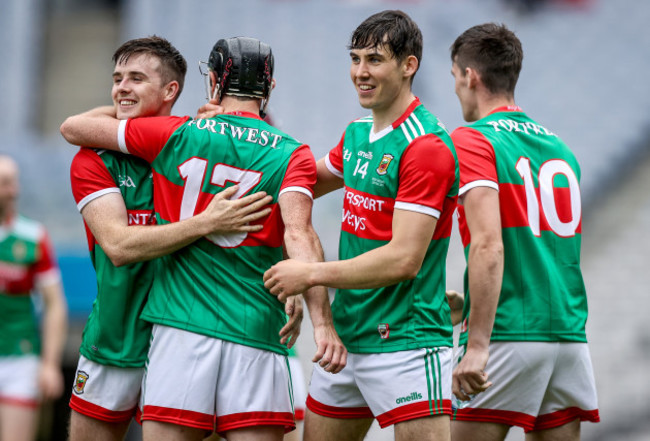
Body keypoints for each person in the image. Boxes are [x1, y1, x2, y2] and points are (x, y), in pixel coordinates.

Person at [60, 36, 346, 441]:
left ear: (208, 82)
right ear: (271, 88)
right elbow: (301, 231)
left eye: (135, 79)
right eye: (117, 79)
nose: (122, 88)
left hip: (182, 324)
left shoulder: (179, 135)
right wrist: (321, 320)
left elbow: (71, 126)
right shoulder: (290, 152)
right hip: (199, 329)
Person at [263, 10, 459, 441]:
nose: (360, 73)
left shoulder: (425, 147)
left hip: (406, 342)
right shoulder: (356, 134)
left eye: (374, 60)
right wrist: (238, 137)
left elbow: (404, 260)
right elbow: (298, 184)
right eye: (355, 59)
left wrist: (309, 273)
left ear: (409, 65)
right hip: (345, 342)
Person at [448, 23, 599, 440]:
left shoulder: (472, 141)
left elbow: (489, 245)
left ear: (469, 76)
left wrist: (477, 344)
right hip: (567, 336)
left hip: (509, 331)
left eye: (455, 78)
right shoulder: (560, 148)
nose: (457, 89)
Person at [0, 154, 68, 441]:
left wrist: (50, 365)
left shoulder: (32, 236)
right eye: (4, 183)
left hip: (19, 354)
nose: (11, 190)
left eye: (11, 183)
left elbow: (55, 304)